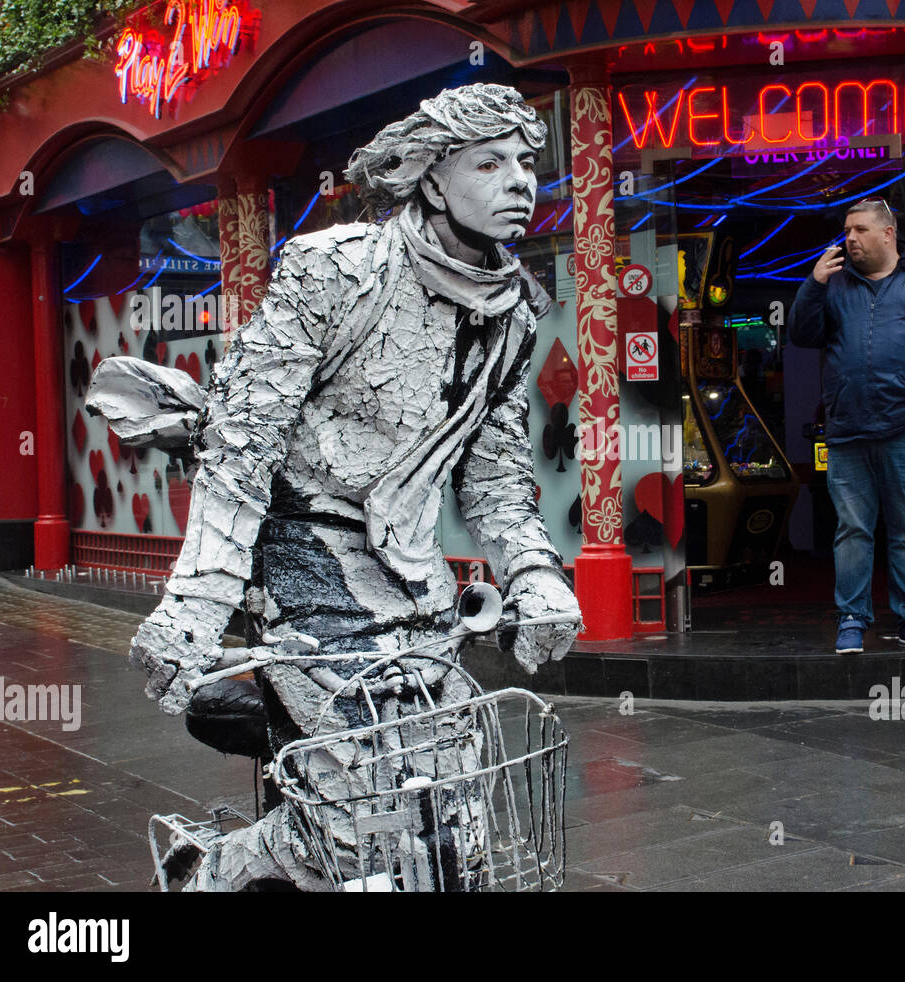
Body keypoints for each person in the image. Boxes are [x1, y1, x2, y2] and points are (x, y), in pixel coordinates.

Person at [113, 83, 582, 888]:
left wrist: (535, 576)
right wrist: (194, 605)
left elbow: (496, 470)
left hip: (418, 587)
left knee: (452, 825)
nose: (519, 183)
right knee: (357, 833)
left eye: (527, 164)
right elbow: (242, 441)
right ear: (433, 179)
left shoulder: (513, 311)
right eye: (490, 162)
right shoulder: (333, 270)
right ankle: (208, 867)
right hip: (300, 581)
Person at [789, 199, 905, 654]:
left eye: (860, 230)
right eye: (846, 230)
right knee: (852, 530)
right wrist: (813, 284)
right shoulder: (834, 284)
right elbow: (800, 335)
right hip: (847, 430)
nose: (849, 238)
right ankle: (852, 619)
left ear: (888, 234)